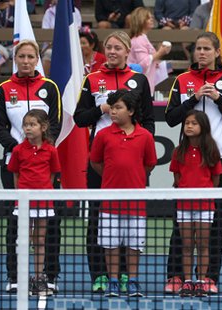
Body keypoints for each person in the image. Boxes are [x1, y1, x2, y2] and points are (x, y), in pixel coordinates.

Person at [164, 31, 222, 295]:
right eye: (198, 48)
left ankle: (209, 278)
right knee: (182, 223)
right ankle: (176, 275)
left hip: (219, 159)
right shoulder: (183, 80)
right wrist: (194, 98)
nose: (202, 53)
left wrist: (218, 99)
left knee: (215, 223)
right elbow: (172, 117)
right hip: (188, 161)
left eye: (207, 49)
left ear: (216, 52)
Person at [74, 31, 155, 294]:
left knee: (129, 220)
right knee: (98, 219)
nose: (112, 51)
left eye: (117, 47)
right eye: (108, 47)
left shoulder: (139, 80)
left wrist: (139, 148)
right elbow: (79, 118)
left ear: (127, 51)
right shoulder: (92, 79)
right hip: (101, 161)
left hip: (132, 161)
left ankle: (124, 275)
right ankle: (99, 274)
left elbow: (148, 119)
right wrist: (102, 110)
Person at [0, 39, 62, 295]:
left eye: (31, 57)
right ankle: (15, 276)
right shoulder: (3, 88)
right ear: (15, 59)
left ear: (37, 60)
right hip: (15, 162)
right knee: (16, 225)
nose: (26, 61)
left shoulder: (50, 87)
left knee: (49, 227)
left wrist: (39, 146)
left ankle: (49, 276)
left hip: (44, 165)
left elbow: (54, 124)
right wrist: (20, 148)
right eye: (21, 56)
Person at [89, 89, 157, 298]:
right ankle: (113, 282)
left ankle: (134, 281)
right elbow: (95, 162)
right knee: (110, 244)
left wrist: (133, 178)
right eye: (112, 107)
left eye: (118, 107)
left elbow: (149, 164)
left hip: (136, 202)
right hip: (109, 201)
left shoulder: (145, 136)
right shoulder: (102, 135)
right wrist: (112, 177)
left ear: (131, 111)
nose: (113, 111)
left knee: (134, 245)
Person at [6, 110, 60, 296]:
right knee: (23, 240)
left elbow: (52, 175)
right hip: (23, 202)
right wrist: (21, 196)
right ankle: (22, 277)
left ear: (43, 127)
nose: (28, 128)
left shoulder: (51, 150)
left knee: (39, 240)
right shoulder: (18, 150)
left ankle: (38, 278)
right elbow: (15, 174)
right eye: (26, 125)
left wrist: (43, 192)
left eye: (32, 124)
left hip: (43, 203)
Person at [169, 110, 222, 297]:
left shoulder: (211, 150)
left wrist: (204, 193)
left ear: (203, 127)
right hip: (184, 205)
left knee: (203, 244)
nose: (189, 126)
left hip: (205, 206)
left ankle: (201, 280)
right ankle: (187, 281)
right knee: (186, 245)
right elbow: (177, 176)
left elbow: (215, 179)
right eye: (187, 123)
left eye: (194, 123)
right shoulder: (179, 151)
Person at [127, 7, 172, 94]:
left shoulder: (142, 38)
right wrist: (160, 53)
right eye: (148, 18)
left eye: (151, 17)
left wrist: (157, 61)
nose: (152, 19)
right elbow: (142, 65)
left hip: (144, 83)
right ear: (140, 20)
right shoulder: (139, 39)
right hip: (138, 87)